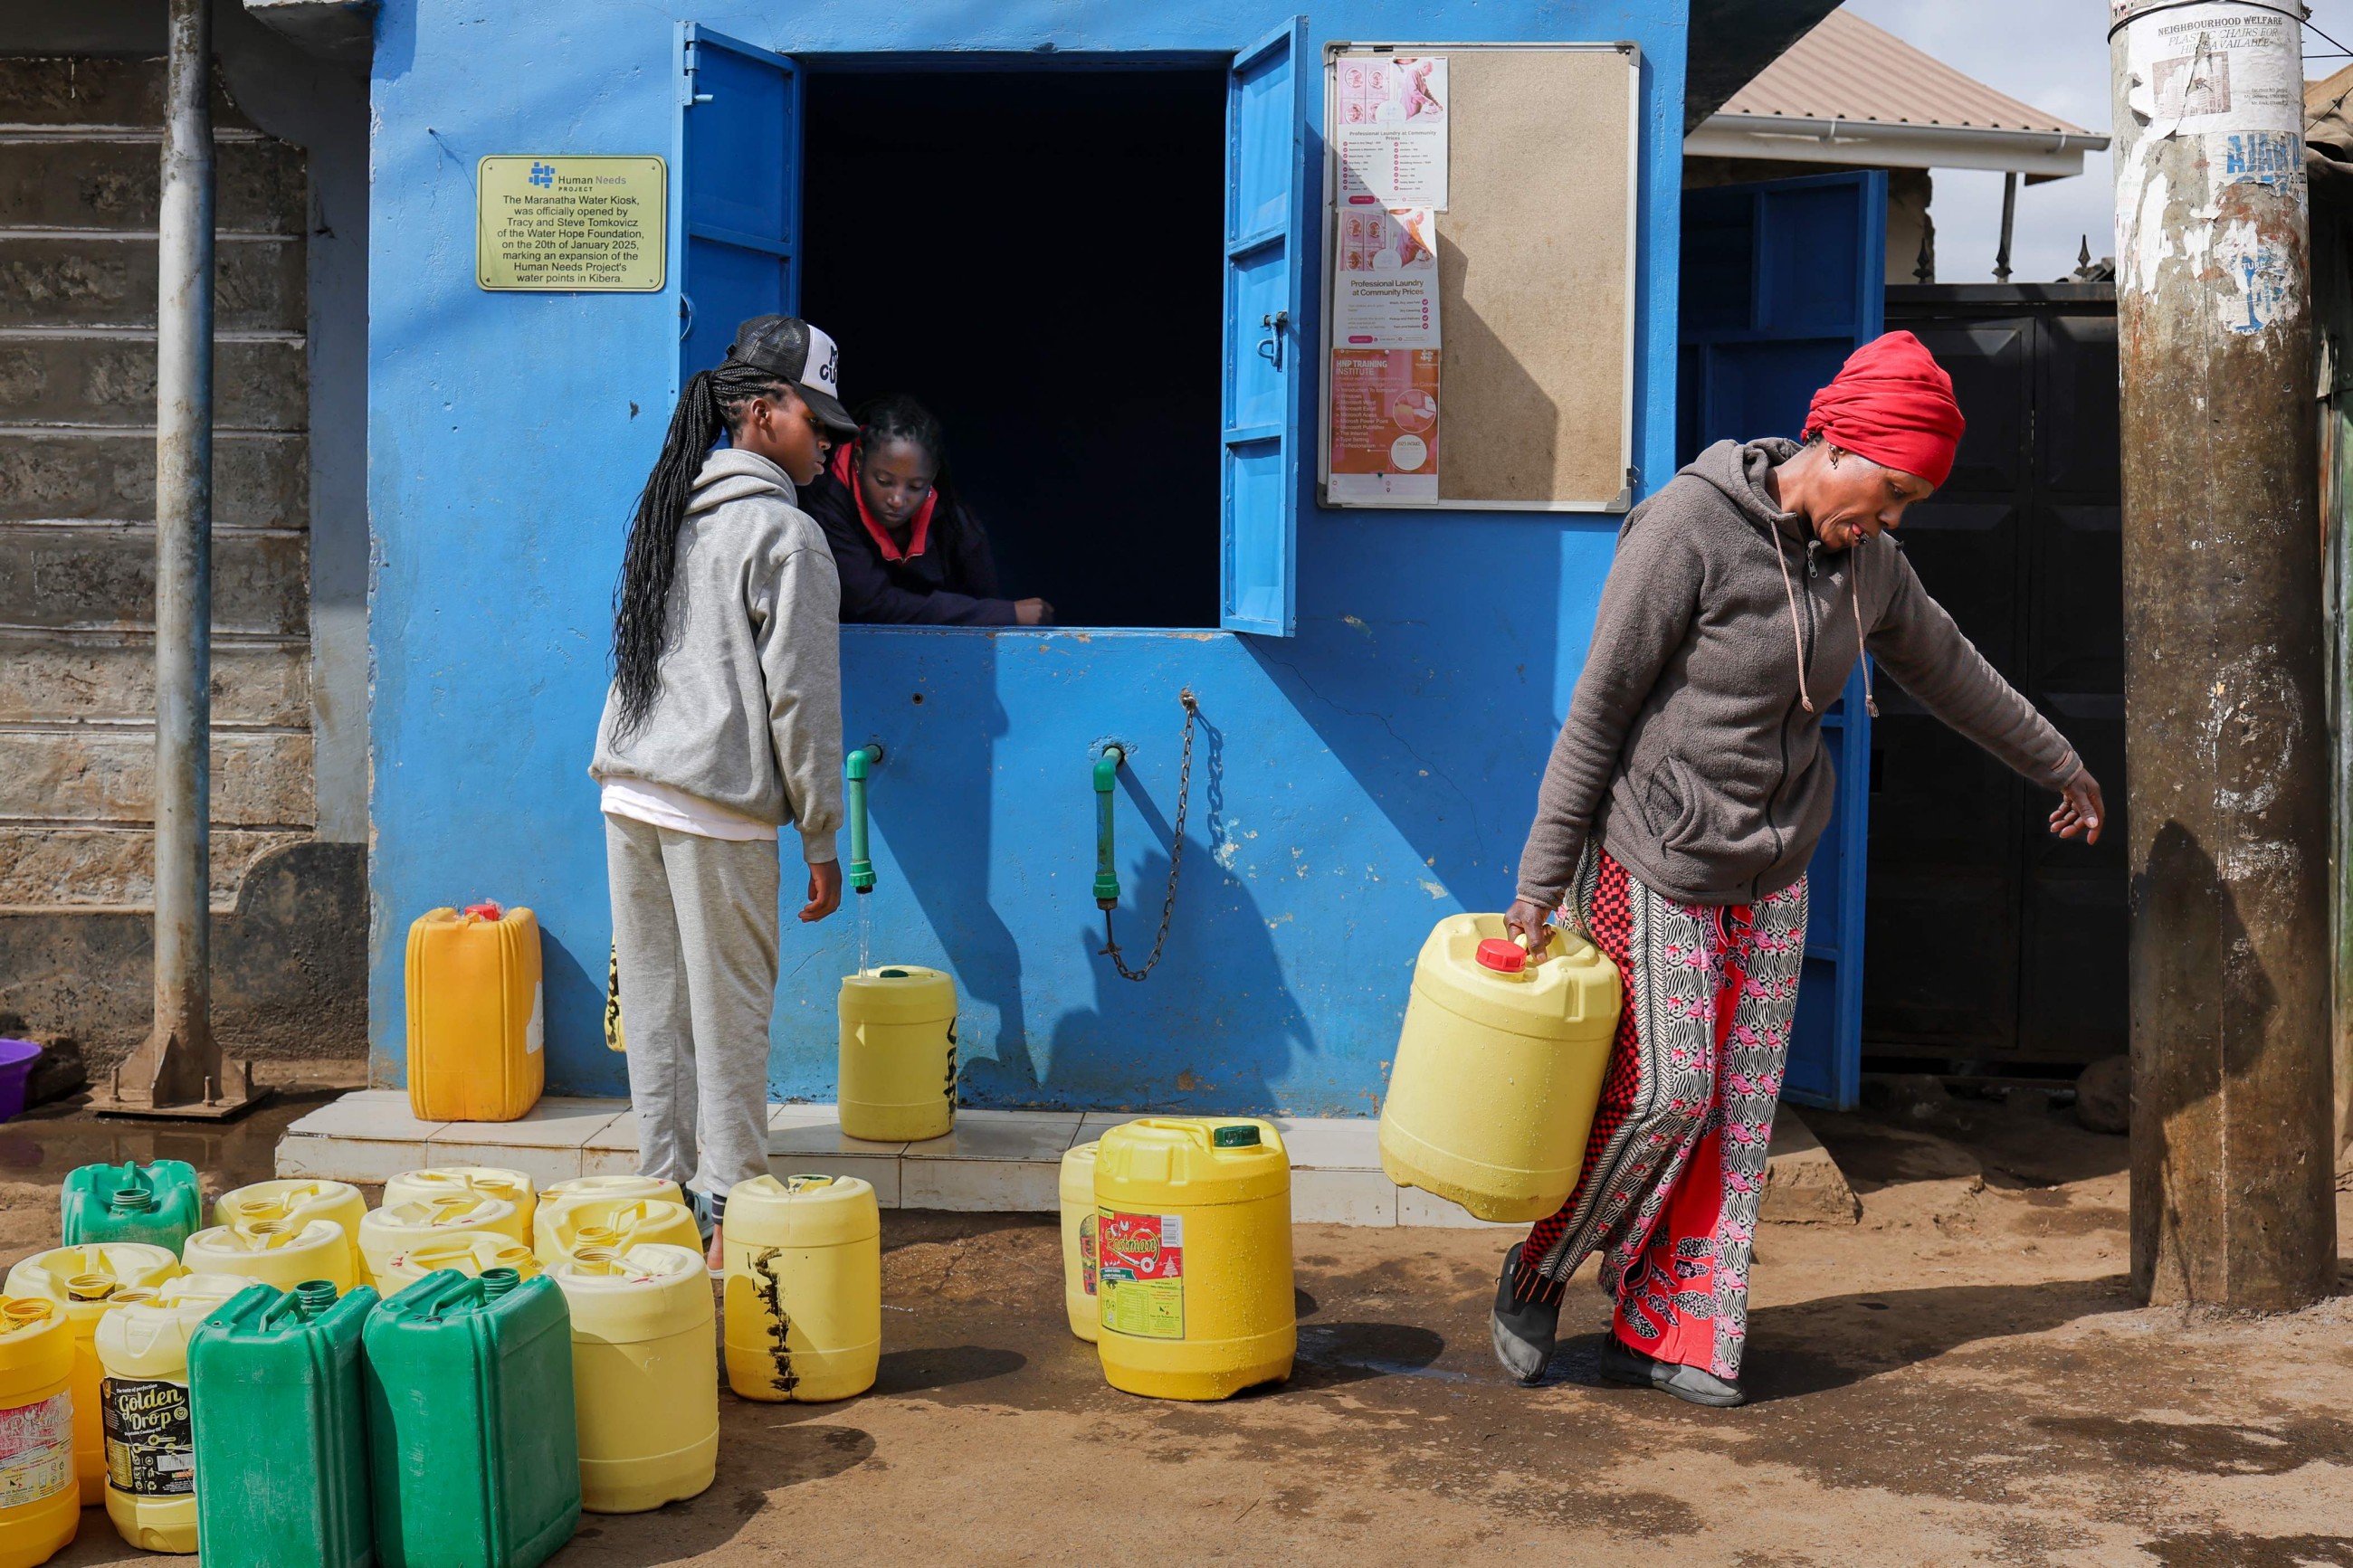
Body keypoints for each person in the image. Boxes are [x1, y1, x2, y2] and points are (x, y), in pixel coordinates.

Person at [1489, 331, 2106, 1406]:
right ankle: (1544, 1261)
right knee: (1668, 1093)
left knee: (1736, 1110)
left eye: (1910, 503)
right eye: (1891, 490)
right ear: (1836, 443)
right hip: (1658, 853)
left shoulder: (1868, 564)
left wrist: (2058, 760)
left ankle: (1669, 1330)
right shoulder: (1687, 525)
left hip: (1778, 864)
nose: (1893, 519)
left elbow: (1951, 669)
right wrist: (1539, 885)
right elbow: (1594, 712)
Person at [590, 315, 860, 1268]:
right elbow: (802, 701)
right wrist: (823, 834)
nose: (829, 442)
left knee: (660, 1014)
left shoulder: (672, 504)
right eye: (815, 420)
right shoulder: (786, 535)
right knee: (731, 1014)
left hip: (629, 789)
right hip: (714, 804)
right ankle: (735, 1214)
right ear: (761, 412)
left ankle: (661, 1202)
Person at [802, 394, 1053, 627]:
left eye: (915, 486)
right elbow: (871, 604)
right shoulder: (824, 502)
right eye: (884, 481)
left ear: (931, 478)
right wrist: (1006, 613)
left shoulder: (956, 525)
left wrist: (993, 614)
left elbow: (982, 609)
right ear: (858, 460)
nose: (898, 499)